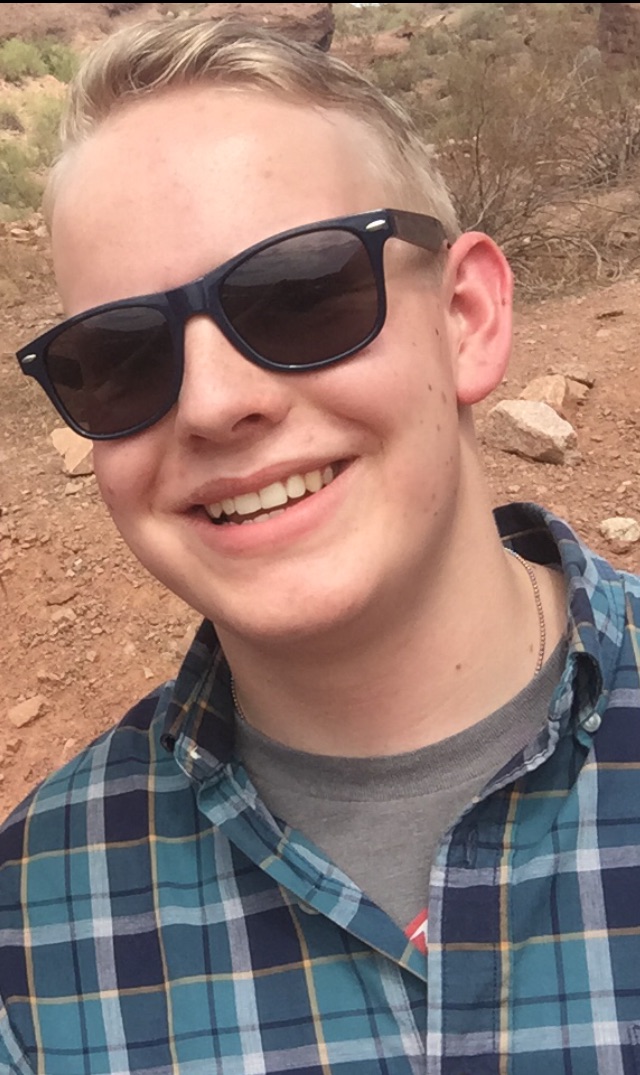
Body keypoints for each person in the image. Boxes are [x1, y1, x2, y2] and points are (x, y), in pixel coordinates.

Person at [2, 17, 640, 1075]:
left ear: (467, 318)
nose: (215, 403)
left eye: (298, 296)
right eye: (119, 357)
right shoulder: (33, 938)